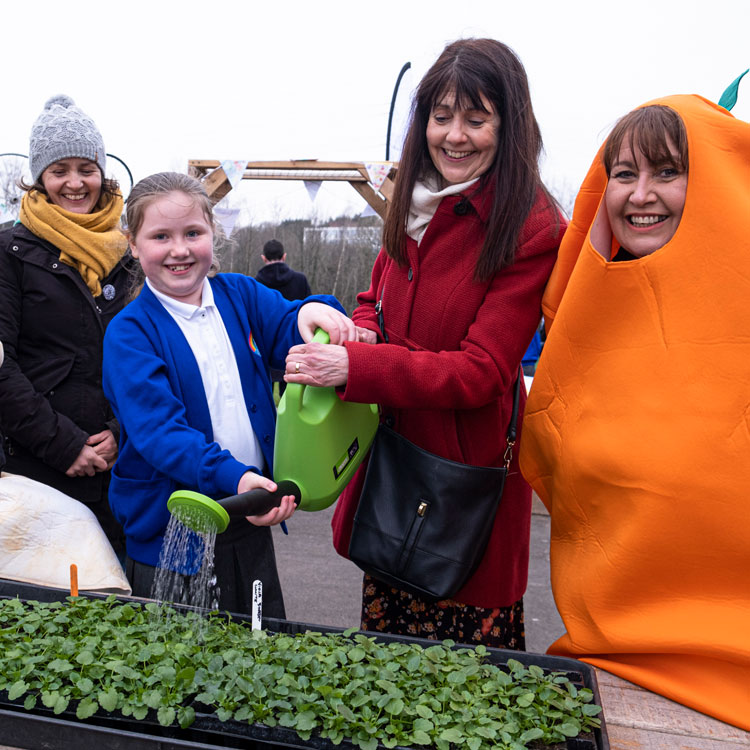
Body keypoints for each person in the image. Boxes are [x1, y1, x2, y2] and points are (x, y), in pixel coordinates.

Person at [284, 38, 565, 649]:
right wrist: (354, 329)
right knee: (388, 678)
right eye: (441, 117)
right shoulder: (409, 204)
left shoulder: (530, 225)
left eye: (476, 117)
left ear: (509, 125)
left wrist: (355, 365)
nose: (455, 135)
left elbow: (482, 372)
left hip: (461, 477)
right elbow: (375, 299)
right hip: (394, 462)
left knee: (467, 687)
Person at [519, 96, 750, 731]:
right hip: (609, 670)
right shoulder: (575, 321)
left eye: (668, 172)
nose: (641, 194)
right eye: (623, 173)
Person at [102, 172, 357, 618]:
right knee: (176, 673)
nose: (179, 249)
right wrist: (235, 478)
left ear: (212, 235)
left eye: (193, 233)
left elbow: (288, 324)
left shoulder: (239, 294)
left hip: (249, 515)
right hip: (171, 538)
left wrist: (316, 309)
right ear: (133, 244)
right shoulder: (129, 332)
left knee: (259, 657)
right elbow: (160, 433)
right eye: (161, 236)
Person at [0, 95, 131, 557]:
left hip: (120, 472)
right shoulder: (8, 252)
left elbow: (152, 358)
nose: (75, 183)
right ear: (40, 178)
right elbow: (1, 366)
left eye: (85, 168)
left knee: (118, 615)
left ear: (102, 171)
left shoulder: (130, 255)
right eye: (59, 171)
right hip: (34, 469)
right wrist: (63, 444)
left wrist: (122, 431)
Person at [256, 239, 312, 395]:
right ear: (284, 256)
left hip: (265, 351)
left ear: (264, 258)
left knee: (265, 403)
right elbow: (309, 311)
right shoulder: (300, 280)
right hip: (294, 350)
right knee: (291, 402)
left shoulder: (255, 285)